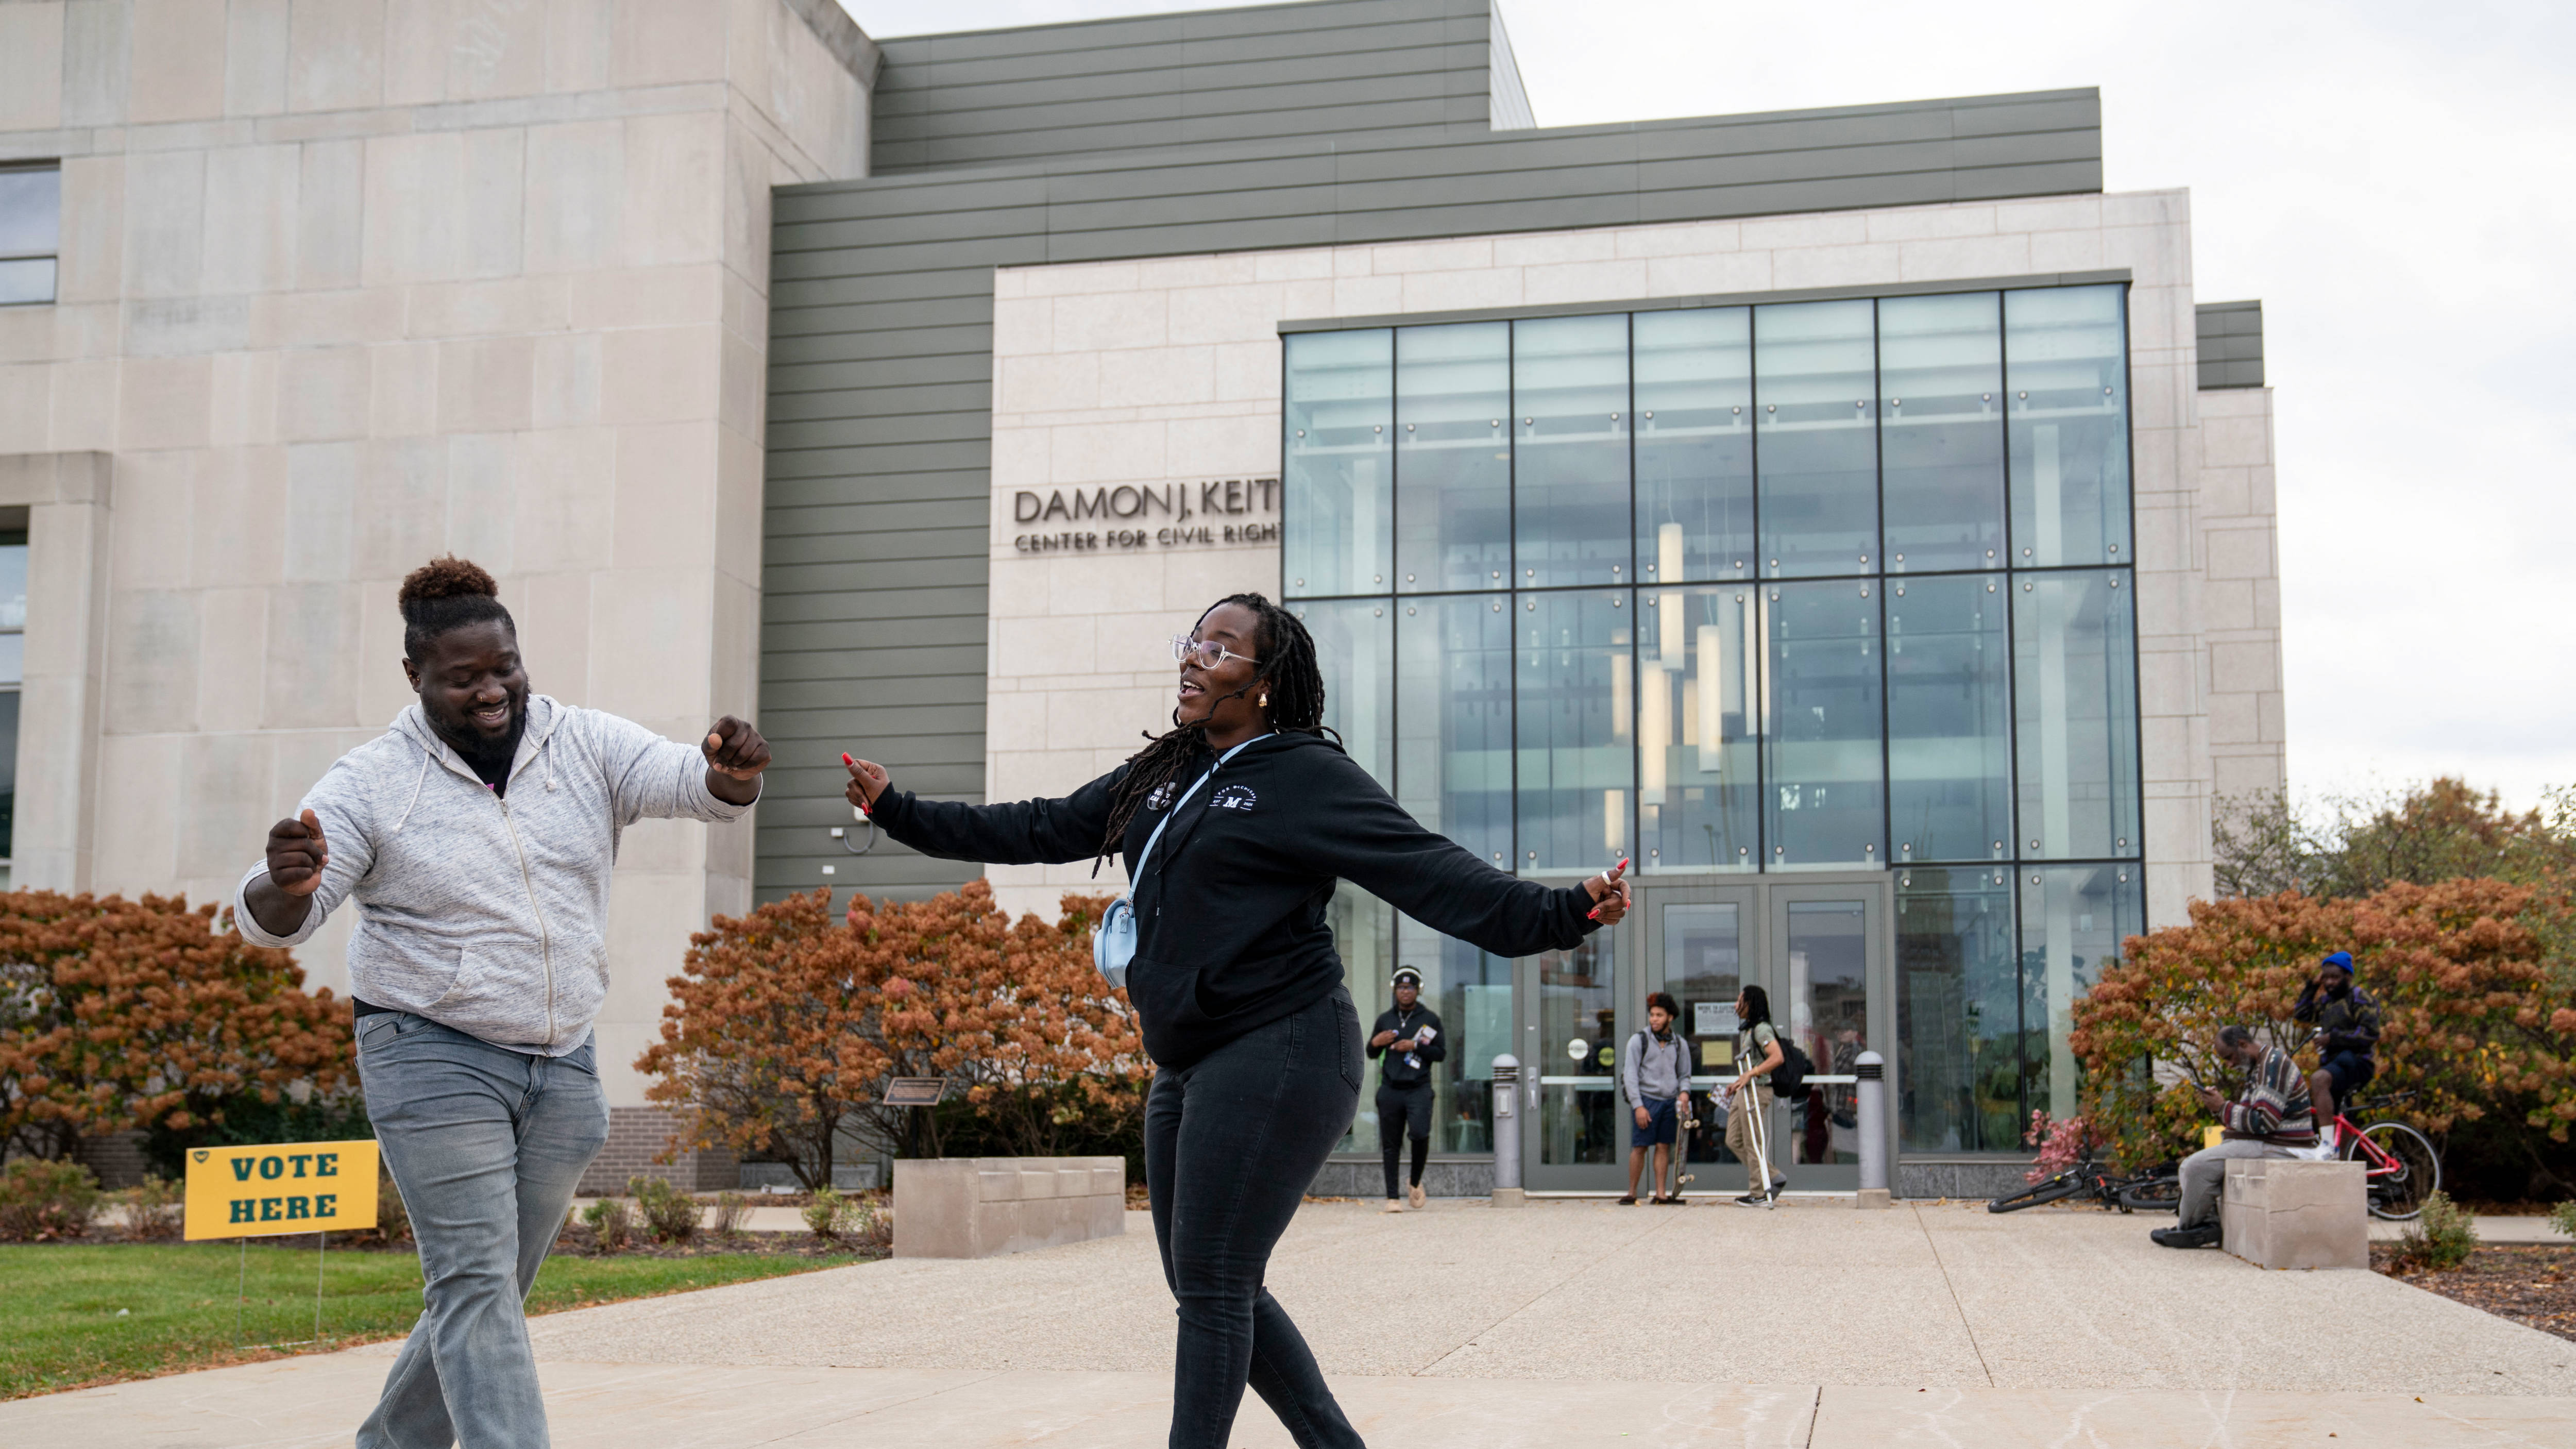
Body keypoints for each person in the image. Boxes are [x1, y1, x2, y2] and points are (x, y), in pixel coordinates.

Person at [841, 593, 1630, 1449]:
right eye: (1192, 641)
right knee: (1209, 1282)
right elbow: (1041, 824)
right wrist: (898, 809)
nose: (1194, 657)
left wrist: (1561, 913)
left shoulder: (1301, 775)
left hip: (1285, 1040)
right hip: (1186, 1058)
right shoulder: (1166, 772)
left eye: (1220, 648)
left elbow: (1429, 869)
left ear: (1265, 681)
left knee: (1215, 1277)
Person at [233, 558, 770, 1449]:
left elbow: (698, 787)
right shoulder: (369, 781)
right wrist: (284, 885)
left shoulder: (586, 743)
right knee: (475, 1280)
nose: (492, 691)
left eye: (505, 667)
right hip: (428, 1050)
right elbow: (284, 914)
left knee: (487, 1286)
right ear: (417, 676)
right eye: (464, 677)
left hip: (561, 1062)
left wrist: (734, 773)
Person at [2151, 1024, 2317, 1249]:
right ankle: (2204, 1225)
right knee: (2191, 1165)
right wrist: (2220, 1109)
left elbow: (2263, 1122)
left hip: (2283, 1146)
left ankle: (2188, 1230)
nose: (2228, 1064)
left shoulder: (2272, 1065)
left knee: (2195, 1167)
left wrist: (2223, 1107)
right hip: (2268, 1141)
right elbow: (2248, 1121)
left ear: (2242, 1045)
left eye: (2228, 1057)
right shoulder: (2259, 1068)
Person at [1367, 966, 1446, 1212]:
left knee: (1420, 1134)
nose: (1405, 992)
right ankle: (1393, 1198)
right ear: (1395, 990)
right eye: (1401, 988)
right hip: (1390, 1089)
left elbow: (1441, 1054)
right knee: (1390, 1144)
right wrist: (1375, 1043)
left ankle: (1414, 1182)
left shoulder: (1430, 1019)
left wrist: (1415, 1046)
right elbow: (1371, 1053)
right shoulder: (1385, 1019)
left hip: (1419, 1088)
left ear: (1418, 990)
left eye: (1410, 987)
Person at [2293, 951, 2382, 1142]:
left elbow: (2371, 1033)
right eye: (2326, 978)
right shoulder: (2326, 1002)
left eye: (2335, 977)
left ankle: (2325, 1144)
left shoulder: (2359, 997)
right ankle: (2342, 1161)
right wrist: (2313, 985)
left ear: (2348, 977)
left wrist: (2332, 1038)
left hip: (2357, 1063)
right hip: (2335, 1065)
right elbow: (2301, 1014)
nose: (2330, 983)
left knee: (2318, 1080)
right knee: (2340, 1121)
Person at [1621, 992, 1691, 1204]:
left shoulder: (1679, 1044)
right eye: (1652, 1015)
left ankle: (1660, 1194)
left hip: (1670, 1102)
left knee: (1663, 1147)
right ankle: (1632, 1192)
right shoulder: (1638, 1041)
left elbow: (1684, 1075)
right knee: (1640, 1146)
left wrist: (1685, 1093)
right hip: (1646, 1101)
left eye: (1659, 1015)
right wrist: (1638, 1106)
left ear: (1670, 1018)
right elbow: (1630, 1076)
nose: (1654, 1019)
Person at [1723, 985, 1791, 1207]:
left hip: (1758, 1091)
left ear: (1749, 1003)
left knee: (1754, 1141)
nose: (1736, 1005)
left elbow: (1777, 1057)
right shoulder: (1750, 1030)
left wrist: (1751, 1074)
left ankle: (1759, 1192)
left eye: (1739, 1000)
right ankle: (1772, 1176)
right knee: (1733, 1140)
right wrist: (1738, 1082)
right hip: (1746, 1089)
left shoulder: (1762, 1030)